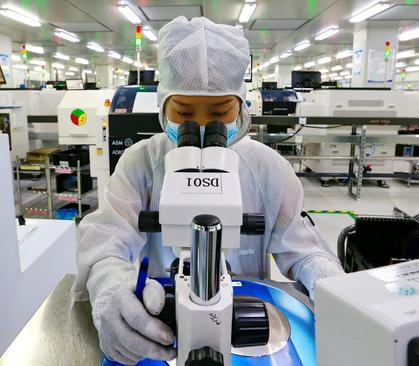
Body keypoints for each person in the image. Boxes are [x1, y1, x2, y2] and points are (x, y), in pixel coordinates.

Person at [72, 16, 344, 365]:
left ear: (241, 107)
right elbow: (105, 239)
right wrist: (111, 288)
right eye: (184, 113)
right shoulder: (140, 162)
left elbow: (305, 252)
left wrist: (333, 290)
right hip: (160, 321)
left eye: (219, 113)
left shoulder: (267, 167)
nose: (200, 129)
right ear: (163, 106)